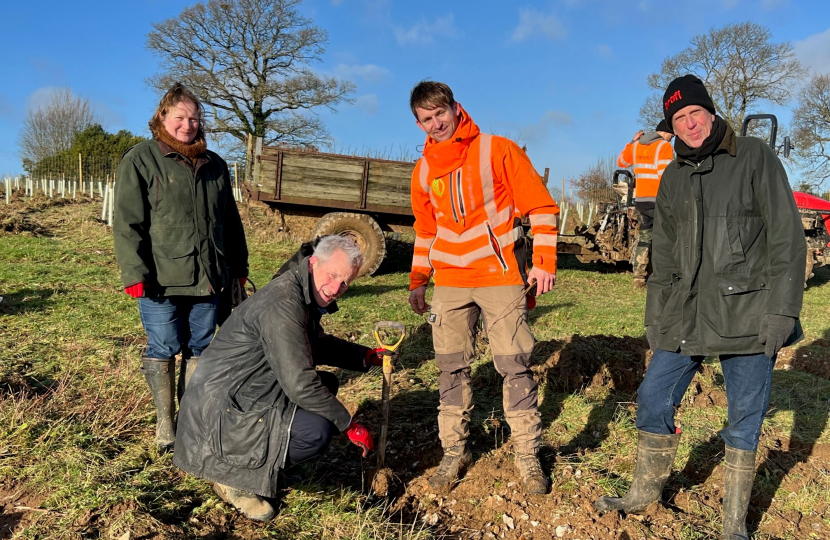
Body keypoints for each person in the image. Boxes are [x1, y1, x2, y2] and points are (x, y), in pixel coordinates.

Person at [594, 75, 805, 540]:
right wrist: (656, 316)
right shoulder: (673, 175)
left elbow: (788, 237)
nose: (689, 124)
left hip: (748, 313)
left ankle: (734, 525)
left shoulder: (753, 157)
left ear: (711, 112)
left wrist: (782, 312)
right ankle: (644, 493)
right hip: (686, 313)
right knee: (653, 395)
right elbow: (664, 253)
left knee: (744, 418)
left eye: (695, 113)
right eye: (679, 118)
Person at [407, 81, 560, 495]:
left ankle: (527, 453)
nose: (435, 123)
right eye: (425, 119)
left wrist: (543, 262)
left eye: (440, 113)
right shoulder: (422, 171)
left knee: (514, 364)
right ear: (418, 123)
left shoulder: (497, 149)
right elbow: (425, 232)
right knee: (450, 367)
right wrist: (419, 280)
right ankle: (455, 450)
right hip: (450, 284)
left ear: (455, 108)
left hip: (500, 277)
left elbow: (542, 207)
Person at [173, 235, 393, 521]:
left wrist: (364, 357)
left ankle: (269, 462)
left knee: (327, 386)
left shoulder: (301, 291)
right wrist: (349, 425)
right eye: (333, 275)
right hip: (217, 416)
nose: (337, 288)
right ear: (314, 263)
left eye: (345, 283)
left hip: (246, 391)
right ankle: (232, 477)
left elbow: (312, 344)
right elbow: (300, 383)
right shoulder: (284, 303)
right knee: (318, 429)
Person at [113, 83, 249, 452]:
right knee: (164, 344)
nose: (188, 125)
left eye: (194, 118)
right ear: (162, 117)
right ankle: (164, 423)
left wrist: (238, 268)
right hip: (159, 278)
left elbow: (230, 223)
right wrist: (134, 274)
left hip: (208, 276)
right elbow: (127, 222)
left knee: (201, 345)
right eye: (180, 118)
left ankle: (189, 417)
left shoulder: (215, 165)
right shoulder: (141, 159)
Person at [616, 120, 675, 287]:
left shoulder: (637, 146)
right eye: (672, 135)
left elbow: (621, 162)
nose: (672, 138)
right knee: (663, 239)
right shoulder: (664, 146)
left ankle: (639, 278)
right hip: (659, 201)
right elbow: (665, 176)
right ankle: (661, 276)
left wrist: (632, 142)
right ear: (666, 132)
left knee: (644, 239)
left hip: (641, 201)